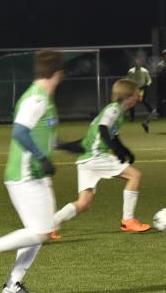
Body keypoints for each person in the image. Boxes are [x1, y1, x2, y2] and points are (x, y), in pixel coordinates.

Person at [0, 50, 65, 293]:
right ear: (57, 74)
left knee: (38, 231)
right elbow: (20, 132)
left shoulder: (45, 97)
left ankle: (12, 285)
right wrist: (41, 158)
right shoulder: (36, 98)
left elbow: (46, 137)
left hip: (34, 175)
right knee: (42, 231)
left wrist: (70, 147)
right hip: (25, 174)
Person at [52, 79, 151, 234]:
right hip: (96, 156)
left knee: (84, 203)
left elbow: (112, 136)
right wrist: (116, 151)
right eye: (136, 94)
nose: (138, 97)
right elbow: (103, 128)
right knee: (135, 176)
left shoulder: (116, 113)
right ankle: (128, 220)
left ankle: (50, 225)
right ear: (128, 96)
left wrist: (125, 151)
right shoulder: (114, 109)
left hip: (86, 160)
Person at [143, 48, 166, 133]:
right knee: (159, 110)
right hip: (163, 91)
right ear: (163, 56)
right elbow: (161, 79)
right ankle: (146, 123)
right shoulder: (161, 65)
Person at [126, 55, 154, 128]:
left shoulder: (144, 71)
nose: (137, 63)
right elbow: (128, 79)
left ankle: (153, 115)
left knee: (144, 101)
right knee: (132, 103)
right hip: (133, 89)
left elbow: (149, 80)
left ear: (140, 63)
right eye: (135, 62)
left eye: (138, 62)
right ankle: (132, 118)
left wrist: (146, 86)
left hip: (142, 89)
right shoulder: (131, 71)